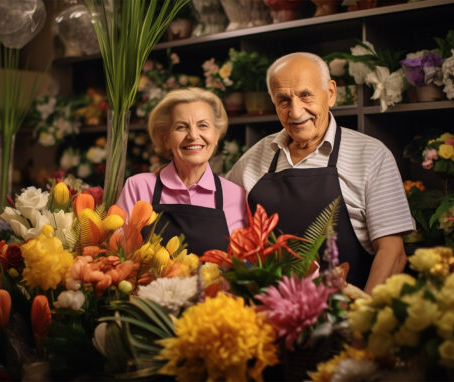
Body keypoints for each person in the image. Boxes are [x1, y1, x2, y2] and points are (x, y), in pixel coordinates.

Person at [226, 52, 415, 293]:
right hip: (269, 318)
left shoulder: (370, 155)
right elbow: (218, 218)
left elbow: (393, 254)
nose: (295, 112)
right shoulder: (257, 156)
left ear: (331, 93)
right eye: (283, 100)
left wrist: (363, 318)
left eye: (305, 95)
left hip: (345, 316)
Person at [116, 87, 248, 255]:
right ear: (166, 140)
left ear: (216, 136)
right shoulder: (139, 187)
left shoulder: (237, 196)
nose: (193, 135)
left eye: (203, 125)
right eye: (181, 127)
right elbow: (117, 254)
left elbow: (243, 267)